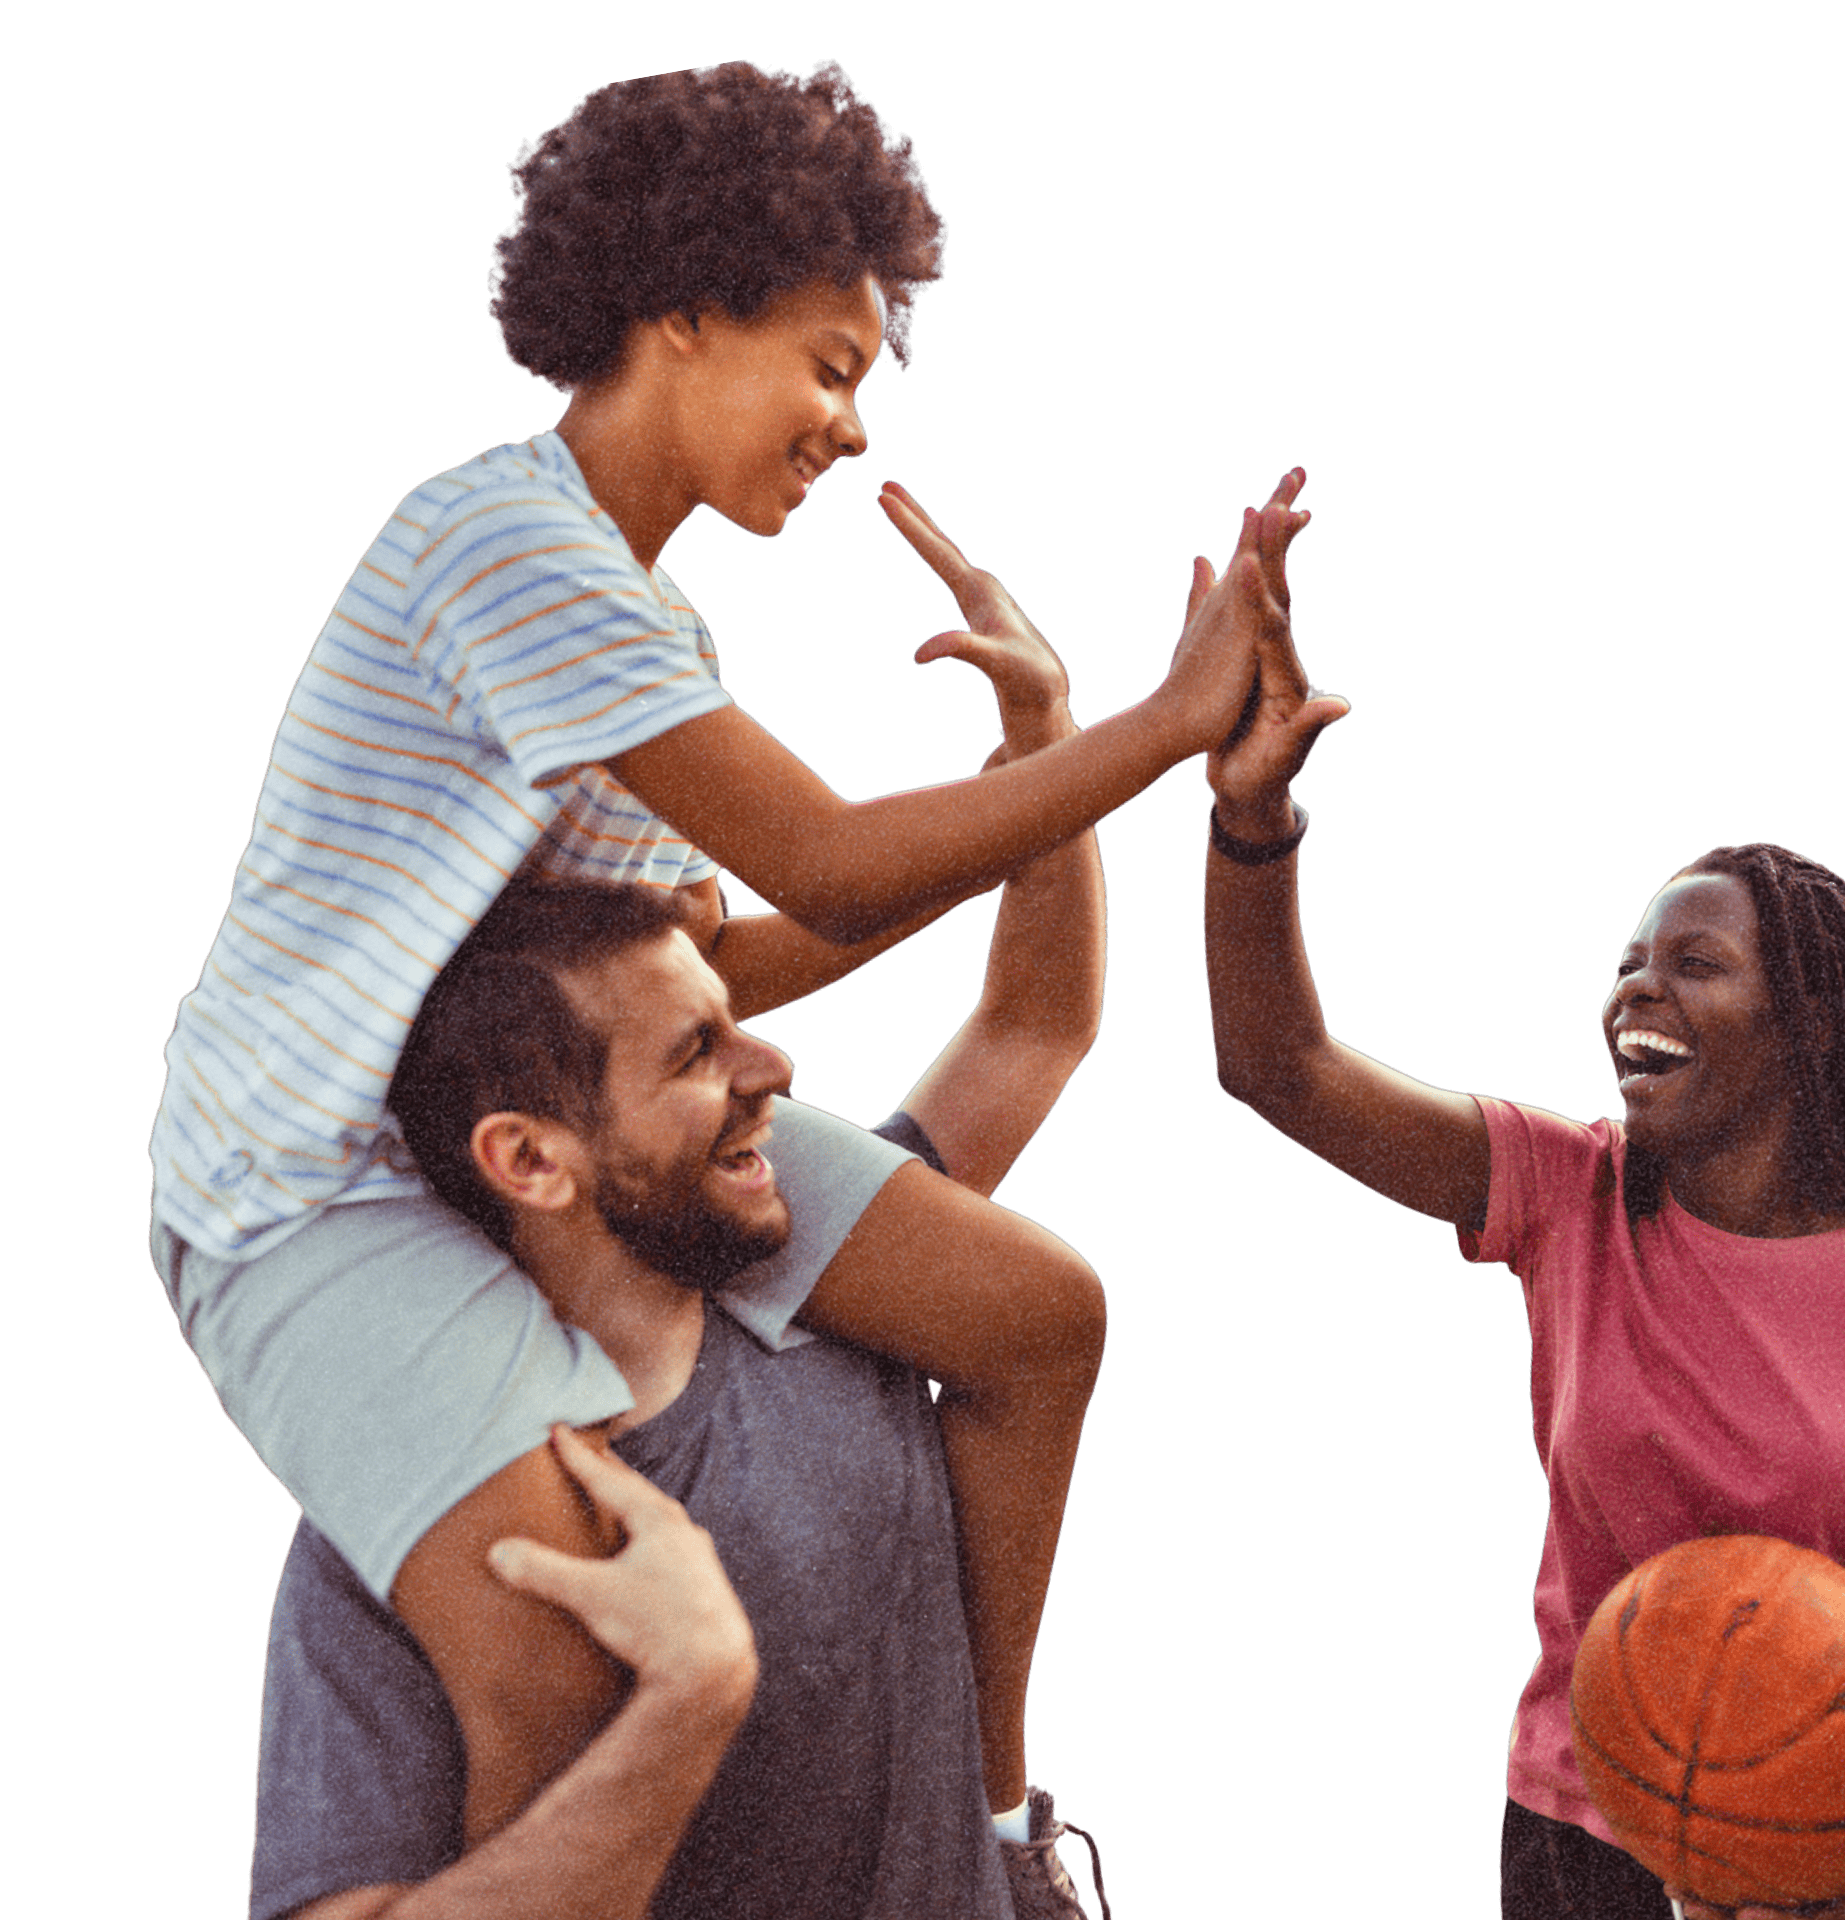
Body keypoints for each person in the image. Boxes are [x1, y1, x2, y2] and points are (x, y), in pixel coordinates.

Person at [147, 58, 1296, 1853]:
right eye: (830, 365)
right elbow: (831, 866)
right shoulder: (504, 550)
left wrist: (1041, 769)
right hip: (315, 1186)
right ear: (680, 314)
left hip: (539, 1112)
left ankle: (989, 1825)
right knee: (541, 1671)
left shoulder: (633, 615)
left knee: (1033, 1314)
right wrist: (1151, 736)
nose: (850, 422)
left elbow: (725, 965)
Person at [1198, 471, 1845, 1920]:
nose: (1632, 992)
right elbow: (1276, 1067)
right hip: (1583, 1835)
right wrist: (1248, 820)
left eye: (1692, 965)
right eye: (1625, 963)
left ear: (1818, 1021)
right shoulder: (1572, 1195)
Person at [247, 754, 1112, 1917]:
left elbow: (1033, 1030)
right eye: (695, 1055)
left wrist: (1047, 753)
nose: (773, 1067)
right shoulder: (412, 1525)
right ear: (529, 1159)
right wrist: (682, 1704)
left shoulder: (838, 1310)